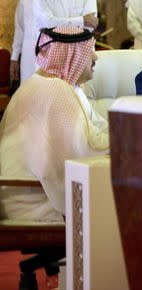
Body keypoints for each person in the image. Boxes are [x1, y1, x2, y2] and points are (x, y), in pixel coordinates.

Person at [0, 26, 109, 221]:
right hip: (32, 203)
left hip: (35, 194)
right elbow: (82, 153)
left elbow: (97, 129)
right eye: (88, 51)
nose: (95, 57)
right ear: (71, 56)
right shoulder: (55, 91)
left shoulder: (66, 86)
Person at [10, 0, 39, 84]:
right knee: (28, 92)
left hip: (53, 59)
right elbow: (19, 30)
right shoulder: (24, 1)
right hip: (29, 59)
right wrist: (14, 58)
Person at [33, 0, 99, 31]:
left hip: (81, 49)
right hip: (51, 49)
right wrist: (82, 21)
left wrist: (57, 24)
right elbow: (47, 23)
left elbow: (90, 25)